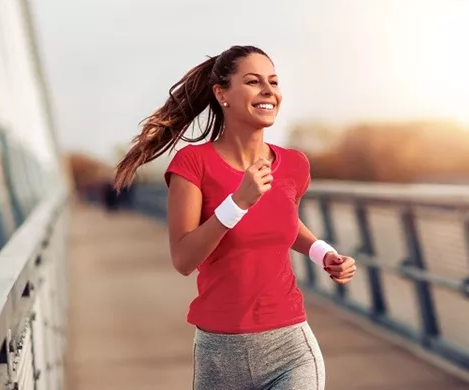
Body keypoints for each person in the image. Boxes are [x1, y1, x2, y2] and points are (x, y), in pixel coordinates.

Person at [112, 45, 357, 390]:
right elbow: (184, 258)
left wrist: (323, 253)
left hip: (290, 347)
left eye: (273, 81)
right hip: (219, 355)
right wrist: (237, 203)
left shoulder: (295, 165)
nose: (268, 90)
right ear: (221, 93)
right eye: (254, 82)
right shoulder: (192, 164)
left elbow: (282, 222)